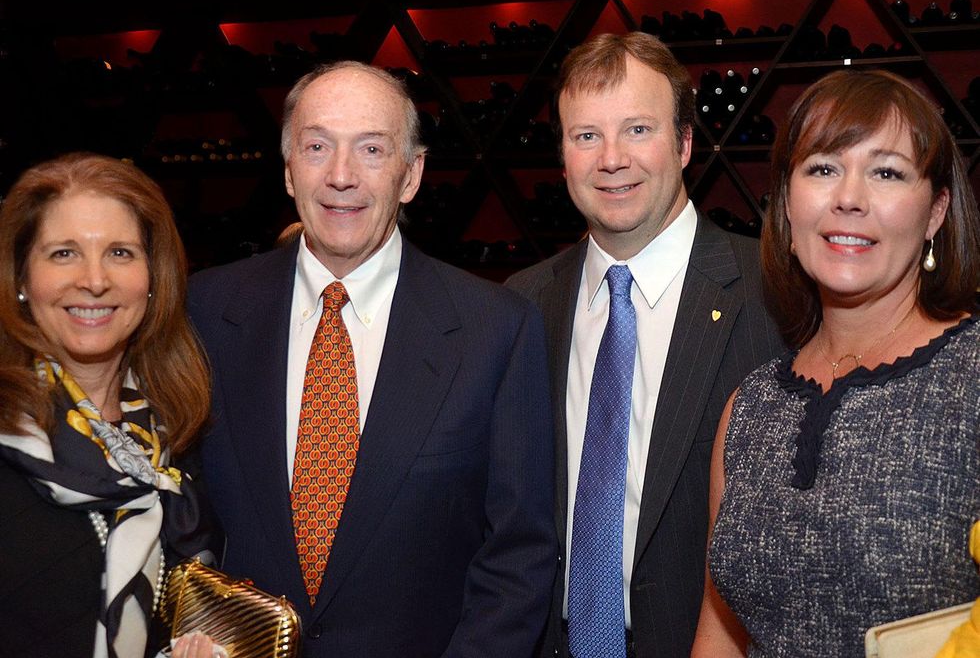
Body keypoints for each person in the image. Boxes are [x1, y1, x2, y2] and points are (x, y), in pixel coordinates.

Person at [187, 61, 556, 658]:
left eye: (372, 149)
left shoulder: (496, 329)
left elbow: (519, 554)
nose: (340, 176)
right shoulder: (205, 308)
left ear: (410, 175)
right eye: (316, 147)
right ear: (288, 171)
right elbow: (182, 510)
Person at [506, 32, 785, 658]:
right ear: (563, 157)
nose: (611, 159)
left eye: (637, 129)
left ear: (684, 143)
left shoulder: (776, 298)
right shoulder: (520, 305)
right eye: (586, 136)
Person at [692, 69, 980, 657]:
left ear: (935, 214)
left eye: (887, 172)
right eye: (823, 168)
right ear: (787, 209)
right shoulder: (750, 410)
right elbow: (721, 632)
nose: (849, 197)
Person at [0, 153, 218, 658]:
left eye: (120, 253)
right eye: (63, 254)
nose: (95, 280)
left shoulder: (179, 436)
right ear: (21, 278)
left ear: (153, 278)